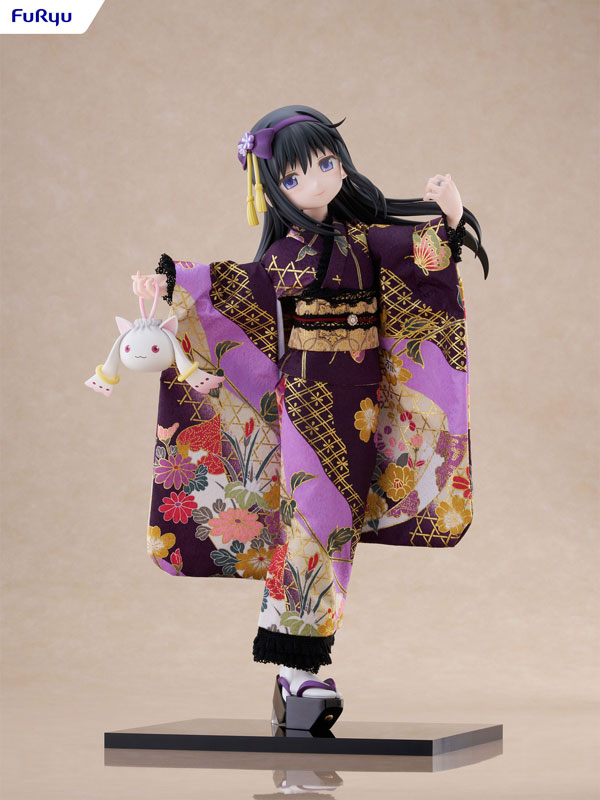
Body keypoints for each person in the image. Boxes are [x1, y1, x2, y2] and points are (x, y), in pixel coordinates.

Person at [133, 105, 488, 730]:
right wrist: (174, 283)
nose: (317, 180)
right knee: (317, 519)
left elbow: (421, 255)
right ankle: (298, 669)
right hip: (306, 397)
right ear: (273, 188)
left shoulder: (365, 240)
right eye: (296, 175)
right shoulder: (287, 256)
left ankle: (292, 665)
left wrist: (453, 218)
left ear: (342, 166)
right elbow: (234, 288)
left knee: (334, 523)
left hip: (364, 403)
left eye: (326, 164)